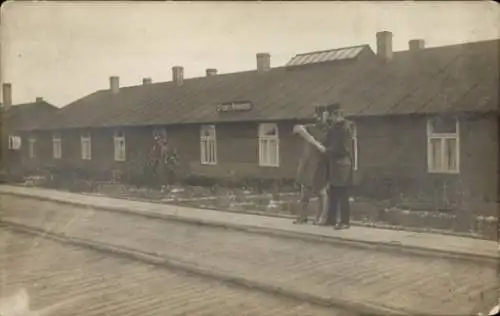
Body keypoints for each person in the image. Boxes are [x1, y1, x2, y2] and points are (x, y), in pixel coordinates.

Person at [292, 105, 330, 224]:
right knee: (305, 192)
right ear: (317, 116)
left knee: (321, 192)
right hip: (308, 164)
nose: (324, 117)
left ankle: (319, 218)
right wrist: (315, 143)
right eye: (322, 115)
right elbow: (297, 128)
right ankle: (302, 217)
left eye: (326, 115)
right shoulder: (310, 128)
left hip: (321, 164)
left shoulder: (329, 130)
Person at [324, 103, 355, 230]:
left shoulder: (345, 128)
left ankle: (345, 221)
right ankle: (331, 219)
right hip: (334, 164)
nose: (330, 118)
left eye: (332, 115)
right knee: (333, 192)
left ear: (338, 115)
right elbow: (328, 142)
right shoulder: (333, 128)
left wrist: (327, 150)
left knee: (343, 194)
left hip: (342, 164)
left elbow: (343, 148)